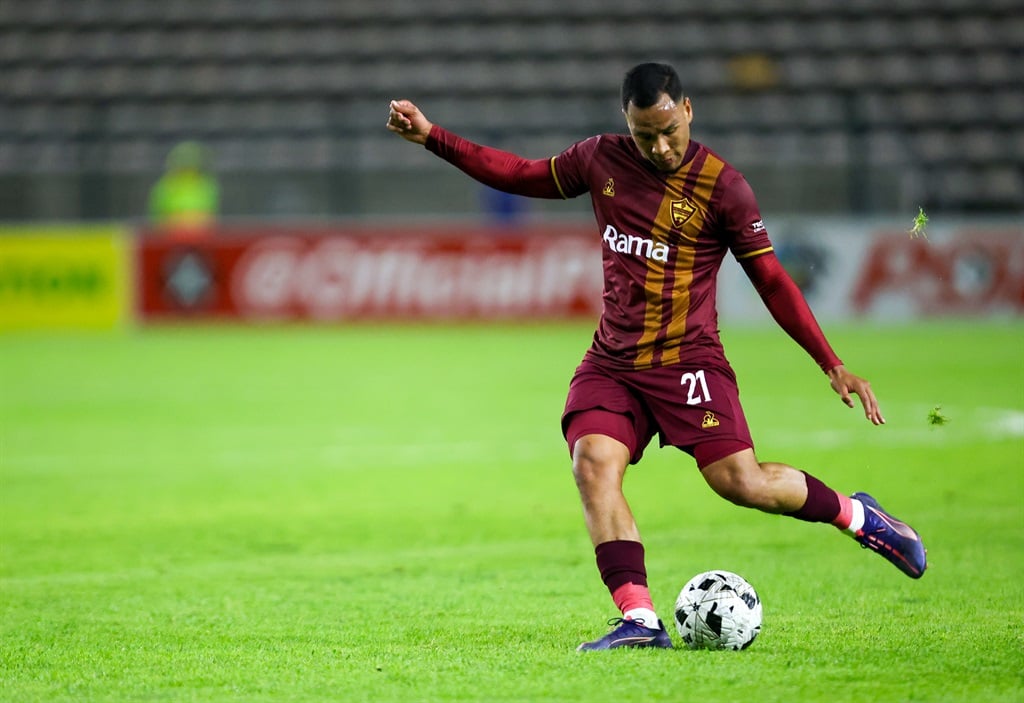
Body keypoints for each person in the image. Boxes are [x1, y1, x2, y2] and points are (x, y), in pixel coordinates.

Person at [386, 62, 927, 651]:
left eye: (670, 129)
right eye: (646, 134)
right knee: (592, 462)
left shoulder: (724, 187)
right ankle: (640, 620)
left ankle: (859, 517)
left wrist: (830, 361)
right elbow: (520, 173)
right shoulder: (600, 160)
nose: (661, 146)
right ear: (627, 122)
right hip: (612, 361)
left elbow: (771, 279)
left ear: (688, 109)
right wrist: (434, 136)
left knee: (740, 483)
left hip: (688, 360)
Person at [148, 140, 220, 233]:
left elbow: (209, 217)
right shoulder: (164, 186)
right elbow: (157, 219)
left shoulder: (207, 185)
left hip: (199, 236)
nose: (187, 170)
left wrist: (192, 222)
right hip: (171, 236)